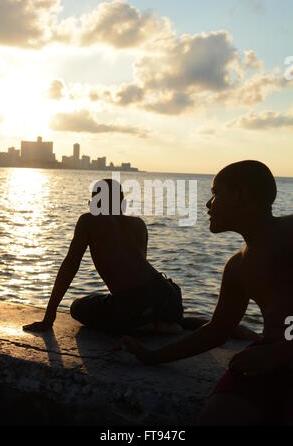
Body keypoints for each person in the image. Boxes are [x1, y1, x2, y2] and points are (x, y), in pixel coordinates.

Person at [116, 161, 293, 425]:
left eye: (215, 193)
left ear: (241, 194)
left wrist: (281, 353)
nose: (208, 204)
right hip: (265, 360)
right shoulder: (237, 267)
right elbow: (217, 330)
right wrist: (151, 356)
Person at [23, 178, 255, 338]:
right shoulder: (138, 224)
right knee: (168, 315)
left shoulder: (89, 220)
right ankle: (238, 331)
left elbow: (70, 266)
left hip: (137, 304)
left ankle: (148, 324)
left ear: (94, 203)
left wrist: (49, 315)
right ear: (122, 204)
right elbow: (135, 272)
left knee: (77, 307)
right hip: (168, 293)